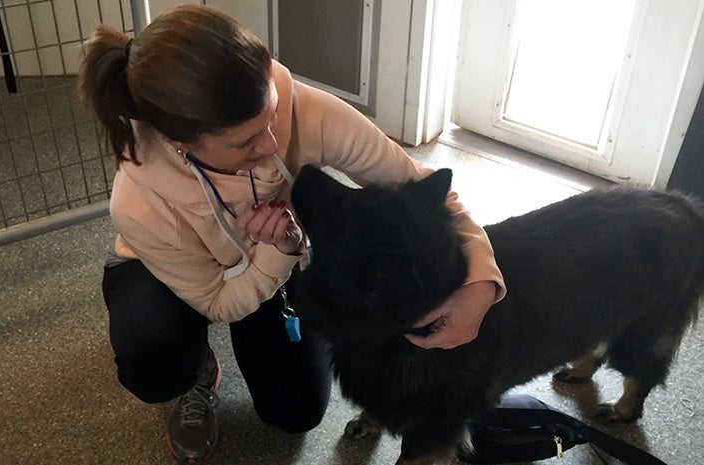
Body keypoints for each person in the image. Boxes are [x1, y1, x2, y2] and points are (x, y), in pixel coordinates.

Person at [79, 3, 506, 462]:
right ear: (181, 144)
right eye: (244, 142)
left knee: (296, 413)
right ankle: (197, 372)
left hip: (273, 264)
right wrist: (280, 254)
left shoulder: (307, 109)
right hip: (171, 272)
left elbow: (426, 191)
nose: (269, 146)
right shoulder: (138, 201)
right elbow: (217, 302)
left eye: (271, 117)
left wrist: (483, 281)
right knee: (153, 356)